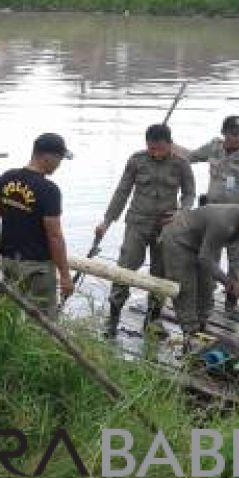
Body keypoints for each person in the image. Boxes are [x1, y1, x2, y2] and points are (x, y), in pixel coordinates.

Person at [97, 124, 196, 338]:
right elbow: (122, 191)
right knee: (125, 267)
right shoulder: (136, 160)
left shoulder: (181, 164)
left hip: (166, 227)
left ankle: (152, 320)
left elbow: (189, 194)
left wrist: (182, 213)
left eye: (160, 149)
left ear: (170, 144)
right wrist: (106, 222)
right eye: (152, 149)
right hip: (137, 223)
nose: (156, 153)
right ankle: (112, 319)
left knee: (161, 273)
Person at [159, 199, 239, 341]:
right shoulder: (224, 223)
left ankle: (201, 328)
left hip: (203, 245)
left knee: (207, 290)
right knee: (186, 290)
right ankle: (190, 335)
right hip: (179, 240)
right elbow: (205, 259)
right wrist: (231, 284)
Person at [0, 133, 74, 318]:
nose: (59, 165)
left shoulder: (7, 178)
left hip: (9, 262)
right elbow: (55, 236)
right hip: (37, 269)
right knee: (42, 324)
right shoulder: (49, 190)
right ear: (47, 157)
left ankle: (0, 345)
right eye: (59, 159)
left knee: (5, 315)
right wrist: (65, 275)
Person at [184, 115, 239, 314]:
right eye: (232, 134)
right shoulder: (214, 148)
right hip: (211, 217)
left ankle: (231, 305)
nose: (237, 138)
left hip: (236, 220)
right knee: (208, 259)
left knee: (236, 263)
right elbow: (190, 157)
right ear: (224, 133)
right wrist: (170, 144)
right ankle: (205, 300)